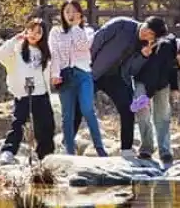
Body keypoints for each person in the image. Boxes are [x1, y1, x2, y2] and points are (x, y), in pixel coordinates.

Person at [72, 15, 168, 154]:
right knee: (79, 105)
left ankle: (126, 150)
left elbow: (131, 70)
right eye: (148, 29)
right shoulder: (121, 25)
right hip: (93, 71)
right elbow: (97, 41)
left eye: (151, 35)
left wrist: (142, 56)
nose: (146, 34)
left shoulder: (145, 46)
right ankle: (68, 143)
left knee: (128, 109)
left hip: (116, 77)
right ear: (145, 23)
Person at [126, 36, 180, 167]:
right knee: (142, 112)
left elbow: (171, 71)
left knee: (162, 115)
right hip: (143, 78)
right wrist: (147, 97)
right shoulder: (166, 46)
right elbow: (154, 71)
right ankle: (146, 149)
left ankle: (165, 151)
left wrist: (174, 88)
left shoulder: (179, 50)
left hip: (161, 84)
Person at [48, 0, 107, 157]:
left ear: (80, 14)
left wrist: (75, 27)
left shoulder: (87, 31)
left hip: (83, 75)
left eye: (73, 11)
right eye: (67, 11)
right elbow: (54, 54)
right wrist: (54, 74)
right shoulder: (55, 32)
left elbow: (84, 46)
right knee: (67, 115)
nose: (70, 14)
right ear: (62, 14)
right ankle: (69, 151)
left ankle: (100, 148)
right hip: (65, 75)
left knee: (87, 109)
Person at [0, 18, 56, 164]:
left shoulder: (45, 52)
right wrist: (14, 39)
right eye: (31, 30)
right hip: (23, 94)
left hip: (41, 93)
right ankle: (8, 151)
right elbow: (0, 55)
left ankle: (44, 156)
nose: (34, 34)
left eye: (38, 32)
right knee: (18, 124)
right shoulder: (17, 49)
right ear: (26, 30)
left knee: (47, 125)